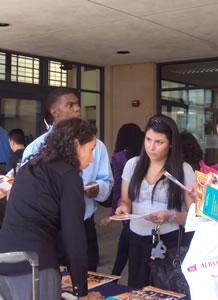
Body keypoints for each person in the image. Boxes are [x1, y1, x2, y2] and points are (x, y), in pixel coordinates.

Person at [0, 118, 104, 300]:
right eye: (91, 149)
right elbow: (75, 239)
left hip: (3, 261)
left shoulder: (29, 167)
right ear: (75, 143)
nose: (92, 158)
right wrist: (82, 293)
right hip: (36, 266)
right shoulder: (68, 176)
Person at [22, 88, 114, 271]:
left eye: (78, 104)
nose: (77, 109)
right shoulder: (35, 148)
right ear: (54, 111)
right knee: (52, 282)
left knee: (88, 279)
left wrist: (98, 188)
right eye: (70, 105)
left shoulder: (97, 146)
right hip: (49, 229)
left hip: (83, 223)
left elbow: (107, 182)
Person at [116, 114, 195, 289]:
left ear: (171, 143)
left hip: (169, 242)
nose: (151, 147)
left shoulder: (183, 170)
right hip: (137, 239)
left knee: (166, 291)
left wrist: (171, 216)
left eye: (159, 142)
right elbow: (125, 200)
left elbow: (193, 217)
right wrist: (122, 208)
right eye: (148, 139)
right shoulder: (132, 165)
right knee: (138, 290)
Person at [101, 123, 143, 277]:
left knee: (124, 249)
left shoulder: (120, 158)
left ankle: (113, 279)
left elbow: (118, 187)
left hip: (128, 208)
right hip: (144, 207)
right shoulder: (146, 155)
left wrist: (114, 212)